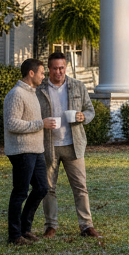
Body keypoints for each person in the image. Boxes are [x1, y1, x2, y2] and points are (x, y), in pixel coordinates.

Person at [37, 51, 101, 239]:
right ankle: (51, 226)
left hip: (74, 144)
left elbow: (90, 110)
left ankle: (86, 225)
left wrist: (84, 117)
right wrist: (42, 122)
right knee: (48, 188)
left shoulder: (77, 86)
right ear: (48, 69)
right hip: (48, 145)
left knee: (80, 186)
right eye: (55, 68)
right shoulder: (39, 89)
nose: (59, 72)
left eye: (62, 68)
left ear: (66, 67)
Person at [3, 58, 56, 245]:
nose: (44, 76)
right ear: (31, 73)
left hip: (36, 149)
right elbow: (12, 124)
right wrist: (41, 124)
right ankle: (14, 235)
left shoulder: (32, 93)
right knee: (20, 192)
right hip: (21, 150)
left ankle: (25, 229)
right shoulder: (16, 94)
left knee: (42, 188)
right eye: (42, 72)